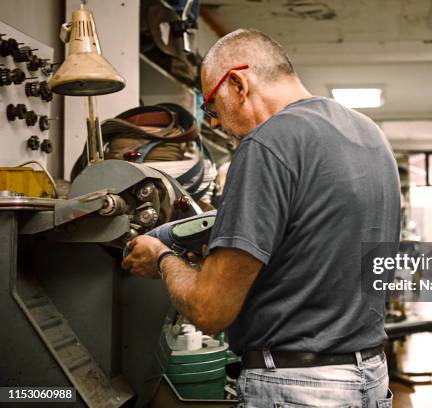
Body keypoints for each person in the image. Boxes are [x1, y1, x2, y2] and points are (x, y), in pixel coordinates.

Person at [122, 28, 400, 407]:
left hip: (298, 387)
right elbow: (320, 246)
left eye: (212, 106)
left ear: (237, 83)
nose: (216, 123)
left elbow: (210, 310)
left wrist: (161, 258)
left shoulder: (267, 143)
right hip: (370, 378)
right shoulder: (370, 134)